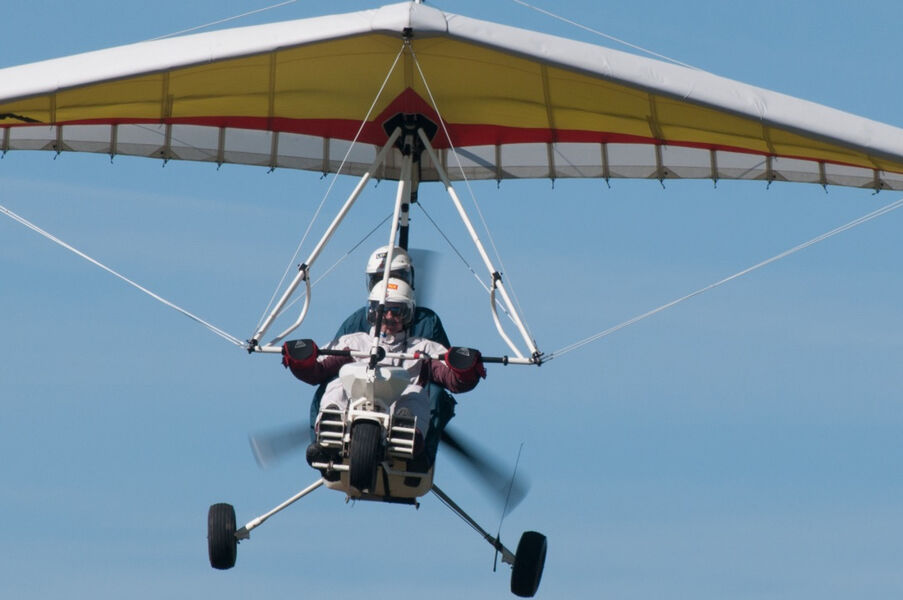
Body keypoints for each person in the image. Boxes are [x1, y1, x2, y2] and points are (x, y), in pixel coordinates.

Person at [283, 278, 485, 460]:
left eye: (397, 311)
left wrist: (464, 367)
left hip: (397, 410)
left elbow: (453, 378)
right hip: (355, 409)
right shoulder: (354, 342)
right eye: (383, 310)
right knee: (336, 385)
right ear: (372, 312)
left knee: (416, 393)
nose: (389, 316)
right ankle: (331, 426)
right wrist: (302, 359)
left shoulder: (422, 348)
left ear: (408, 314)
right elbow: (317, 369)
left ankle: (407, 433)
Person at [309, 245, 455, 453]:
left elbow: (444, 365)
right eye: (379, 278)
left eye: (397, 277)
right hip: (360, 394)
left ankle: (417, 443)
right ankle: (327, 433)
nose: (388, 283)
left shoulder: (426, 324)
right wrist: (304, 359)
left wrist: (463, 366)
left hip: (406, 390)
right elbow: (327, 362)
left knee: (430, 395)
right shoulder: (356, 325)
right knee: (332, 386)